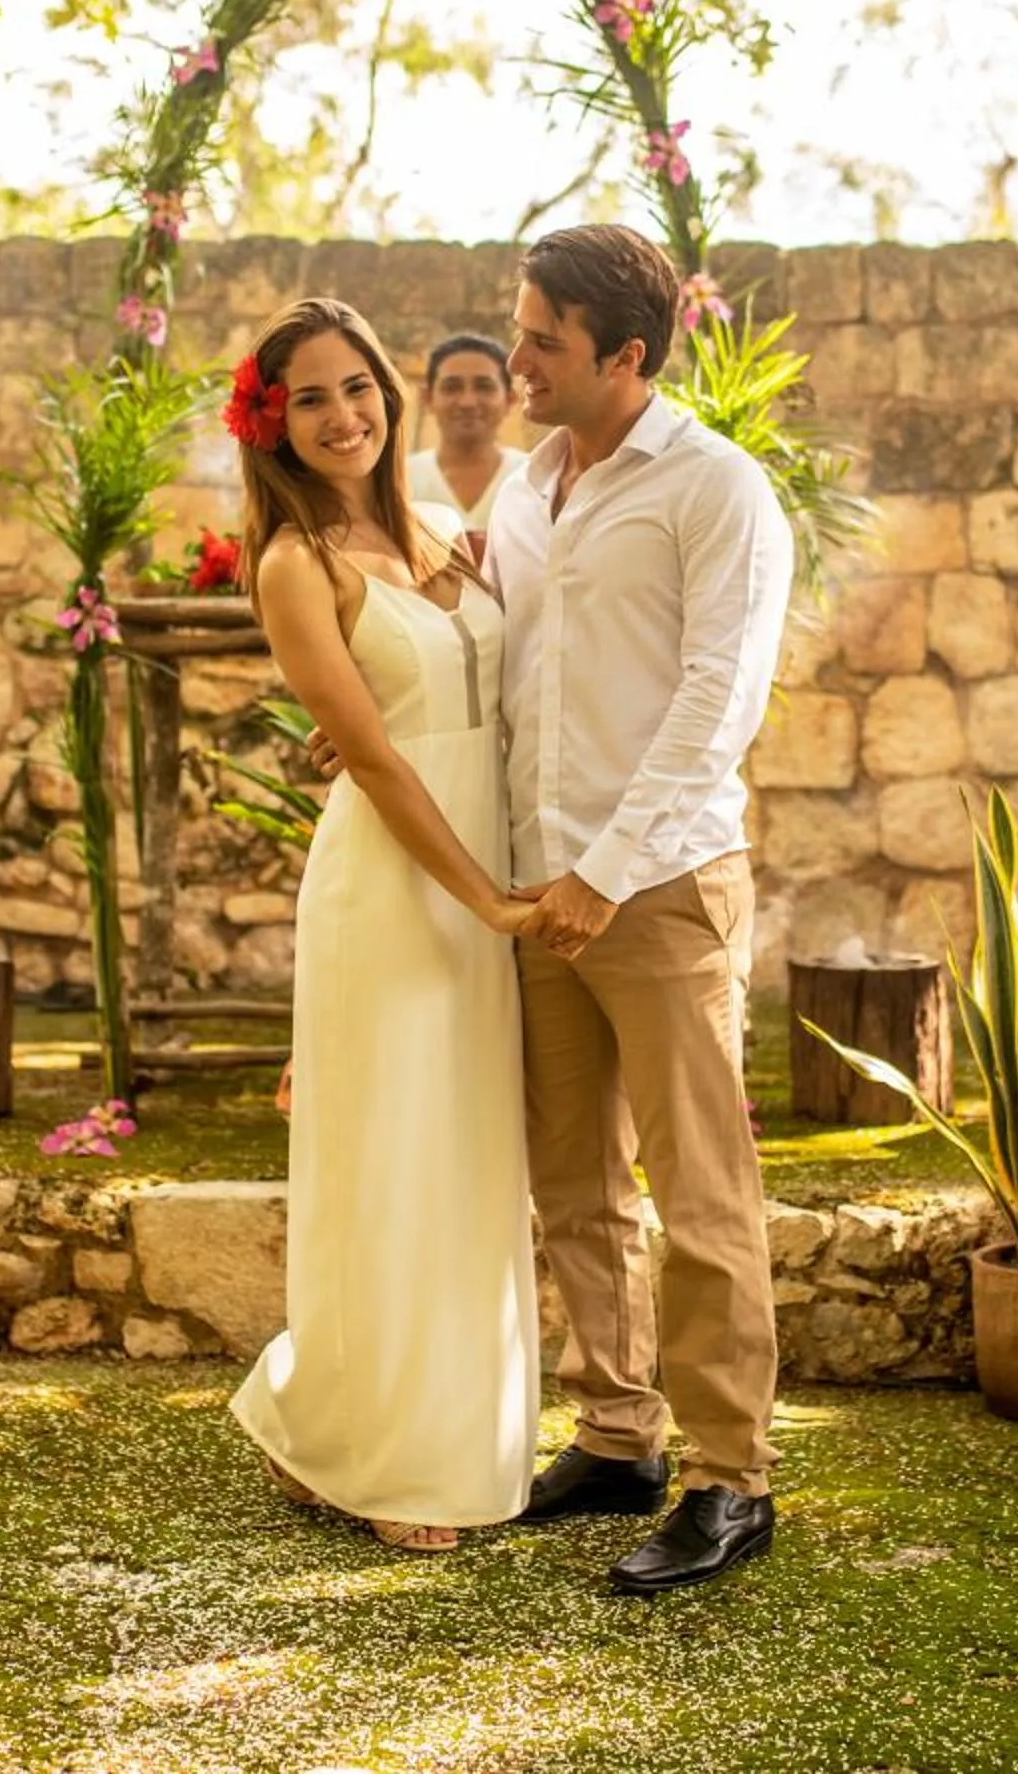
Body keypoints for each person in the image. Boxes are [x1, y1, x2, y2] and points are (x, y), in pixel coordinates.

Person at [486, 224, 794, 1596]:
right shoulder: (524, 489)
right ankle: (617, 1433)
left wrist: (606, 872)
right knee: (574, 1178)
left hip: (657, 885)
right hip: (539, 883)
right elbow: (498, 669)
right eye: (520, 329)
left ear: (624, 354)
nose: (519, 358)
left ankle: (733, 1477)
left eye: (543, 339)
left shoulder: (717, 488)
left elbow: (720, 697)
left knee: (699, 1185)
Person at [224, 297, 542, 1556]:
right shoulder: (292, 565)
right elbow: (375, 758)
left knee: (464, 1161)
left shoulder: (448, 532)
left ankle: (330, 1416)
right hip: (395, 890)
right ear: (274, 423)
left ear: (386, 392)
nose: (342, 414)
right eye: (309, 397)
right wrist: (487, 899)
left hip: (480, 871)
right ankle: (385, 1451)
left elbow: (486, 689)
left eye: (355, 385)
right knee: (391, 1159)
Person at [405, 332, 527, 551]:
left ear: (510, 398)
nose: (467, 402)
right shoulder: (400, 478)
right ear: (427, 398)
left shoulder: (536, 477)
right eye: (452, 387)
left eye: (484, 387)